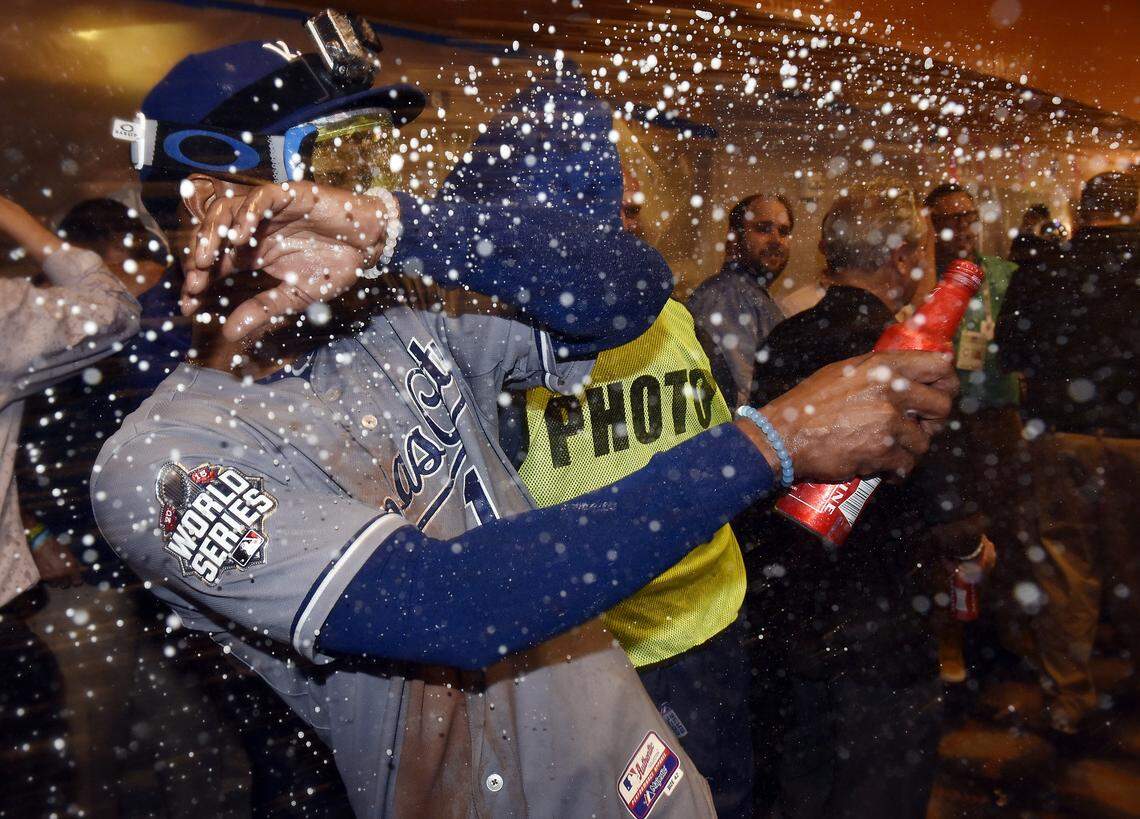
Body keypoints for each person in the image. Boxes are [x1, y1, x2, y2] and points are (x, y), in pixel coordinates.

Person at [90, 31, 957, 819]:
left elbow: (627, 287)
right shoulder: (162, 460)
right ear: (207, 195)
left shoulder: (400, 317)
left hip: (622, 772)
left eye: (358, 167)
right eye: (326, 164)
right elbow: (450, 605)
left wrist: (396, 225)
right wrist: (769, 444)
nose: (340, 195)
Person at [506, 164, 751, 817]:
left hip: (695, 626)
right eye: (609, 209)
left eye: (627, 210)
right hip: (594, 653)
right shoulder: (508, 354)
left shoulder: (675, 320)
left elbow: (726, 448)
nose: (627, 226)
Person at [741, 187, 988, 819]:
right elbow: (941, 494)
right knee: (880, 787)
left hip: (789, 600)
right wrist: (968, 545)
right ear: (903, 257)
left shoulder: (788, 338)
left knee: (799, 780)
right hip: (878, 610)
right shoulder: (908, 351)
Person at [997, 170, 1140, 735]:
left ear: (1081, 213)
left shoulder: (1044, 272)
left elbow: (1012, 352)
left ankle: (1069, 698)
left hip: (1063, 435)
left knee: (1066, 567)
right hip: (1137, 437)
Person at [925, 181, 1025, 681]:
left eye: (968, 217)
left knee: (1007, 530)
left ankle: (1001, 642)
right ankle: (952, 649)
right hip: (949, 423)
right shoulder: (926, 281)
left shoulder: (1004, 275)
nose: (961, 228)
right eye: (949, 219)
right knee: (954, 537)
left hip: (1001, 421)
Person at [687, 192, 792, 406]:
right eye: (763, 229)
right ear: (734, 238)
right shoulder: (728, 295)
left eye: (783, 231)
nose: (776, 240)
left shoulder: (751, 294)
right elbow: (742, 402)